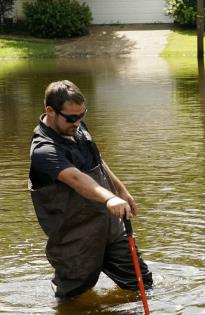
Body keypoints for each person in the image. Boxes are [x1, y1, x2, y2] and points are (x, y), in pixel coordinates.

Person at [29, 80, 153, 298]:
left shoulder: (76, 127)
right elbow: (76, 179)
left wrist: (120, 190)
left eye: (82, 115)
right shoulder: (43, 150)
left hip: (110, 228)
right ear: (50, 111)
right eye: (71, 118)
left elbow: (97, 160)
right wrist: (109, 199)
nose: (77, 122)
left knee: (142, 283)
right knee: (74, 298)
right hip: (76, 239)